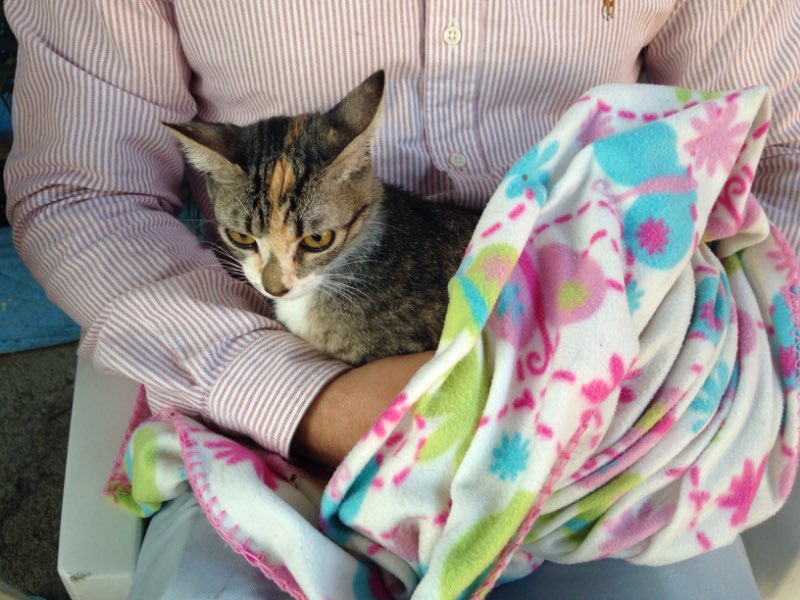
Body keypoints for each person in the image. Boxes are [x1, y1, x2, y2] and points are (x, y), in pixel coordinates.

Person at [4, 1, 798, 598]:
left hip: (615, 401)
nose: (276, 274)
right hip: (275, 428)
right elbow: (83, 192)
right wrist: (304, 402)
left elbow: (780, 156)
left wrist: (650, 368)